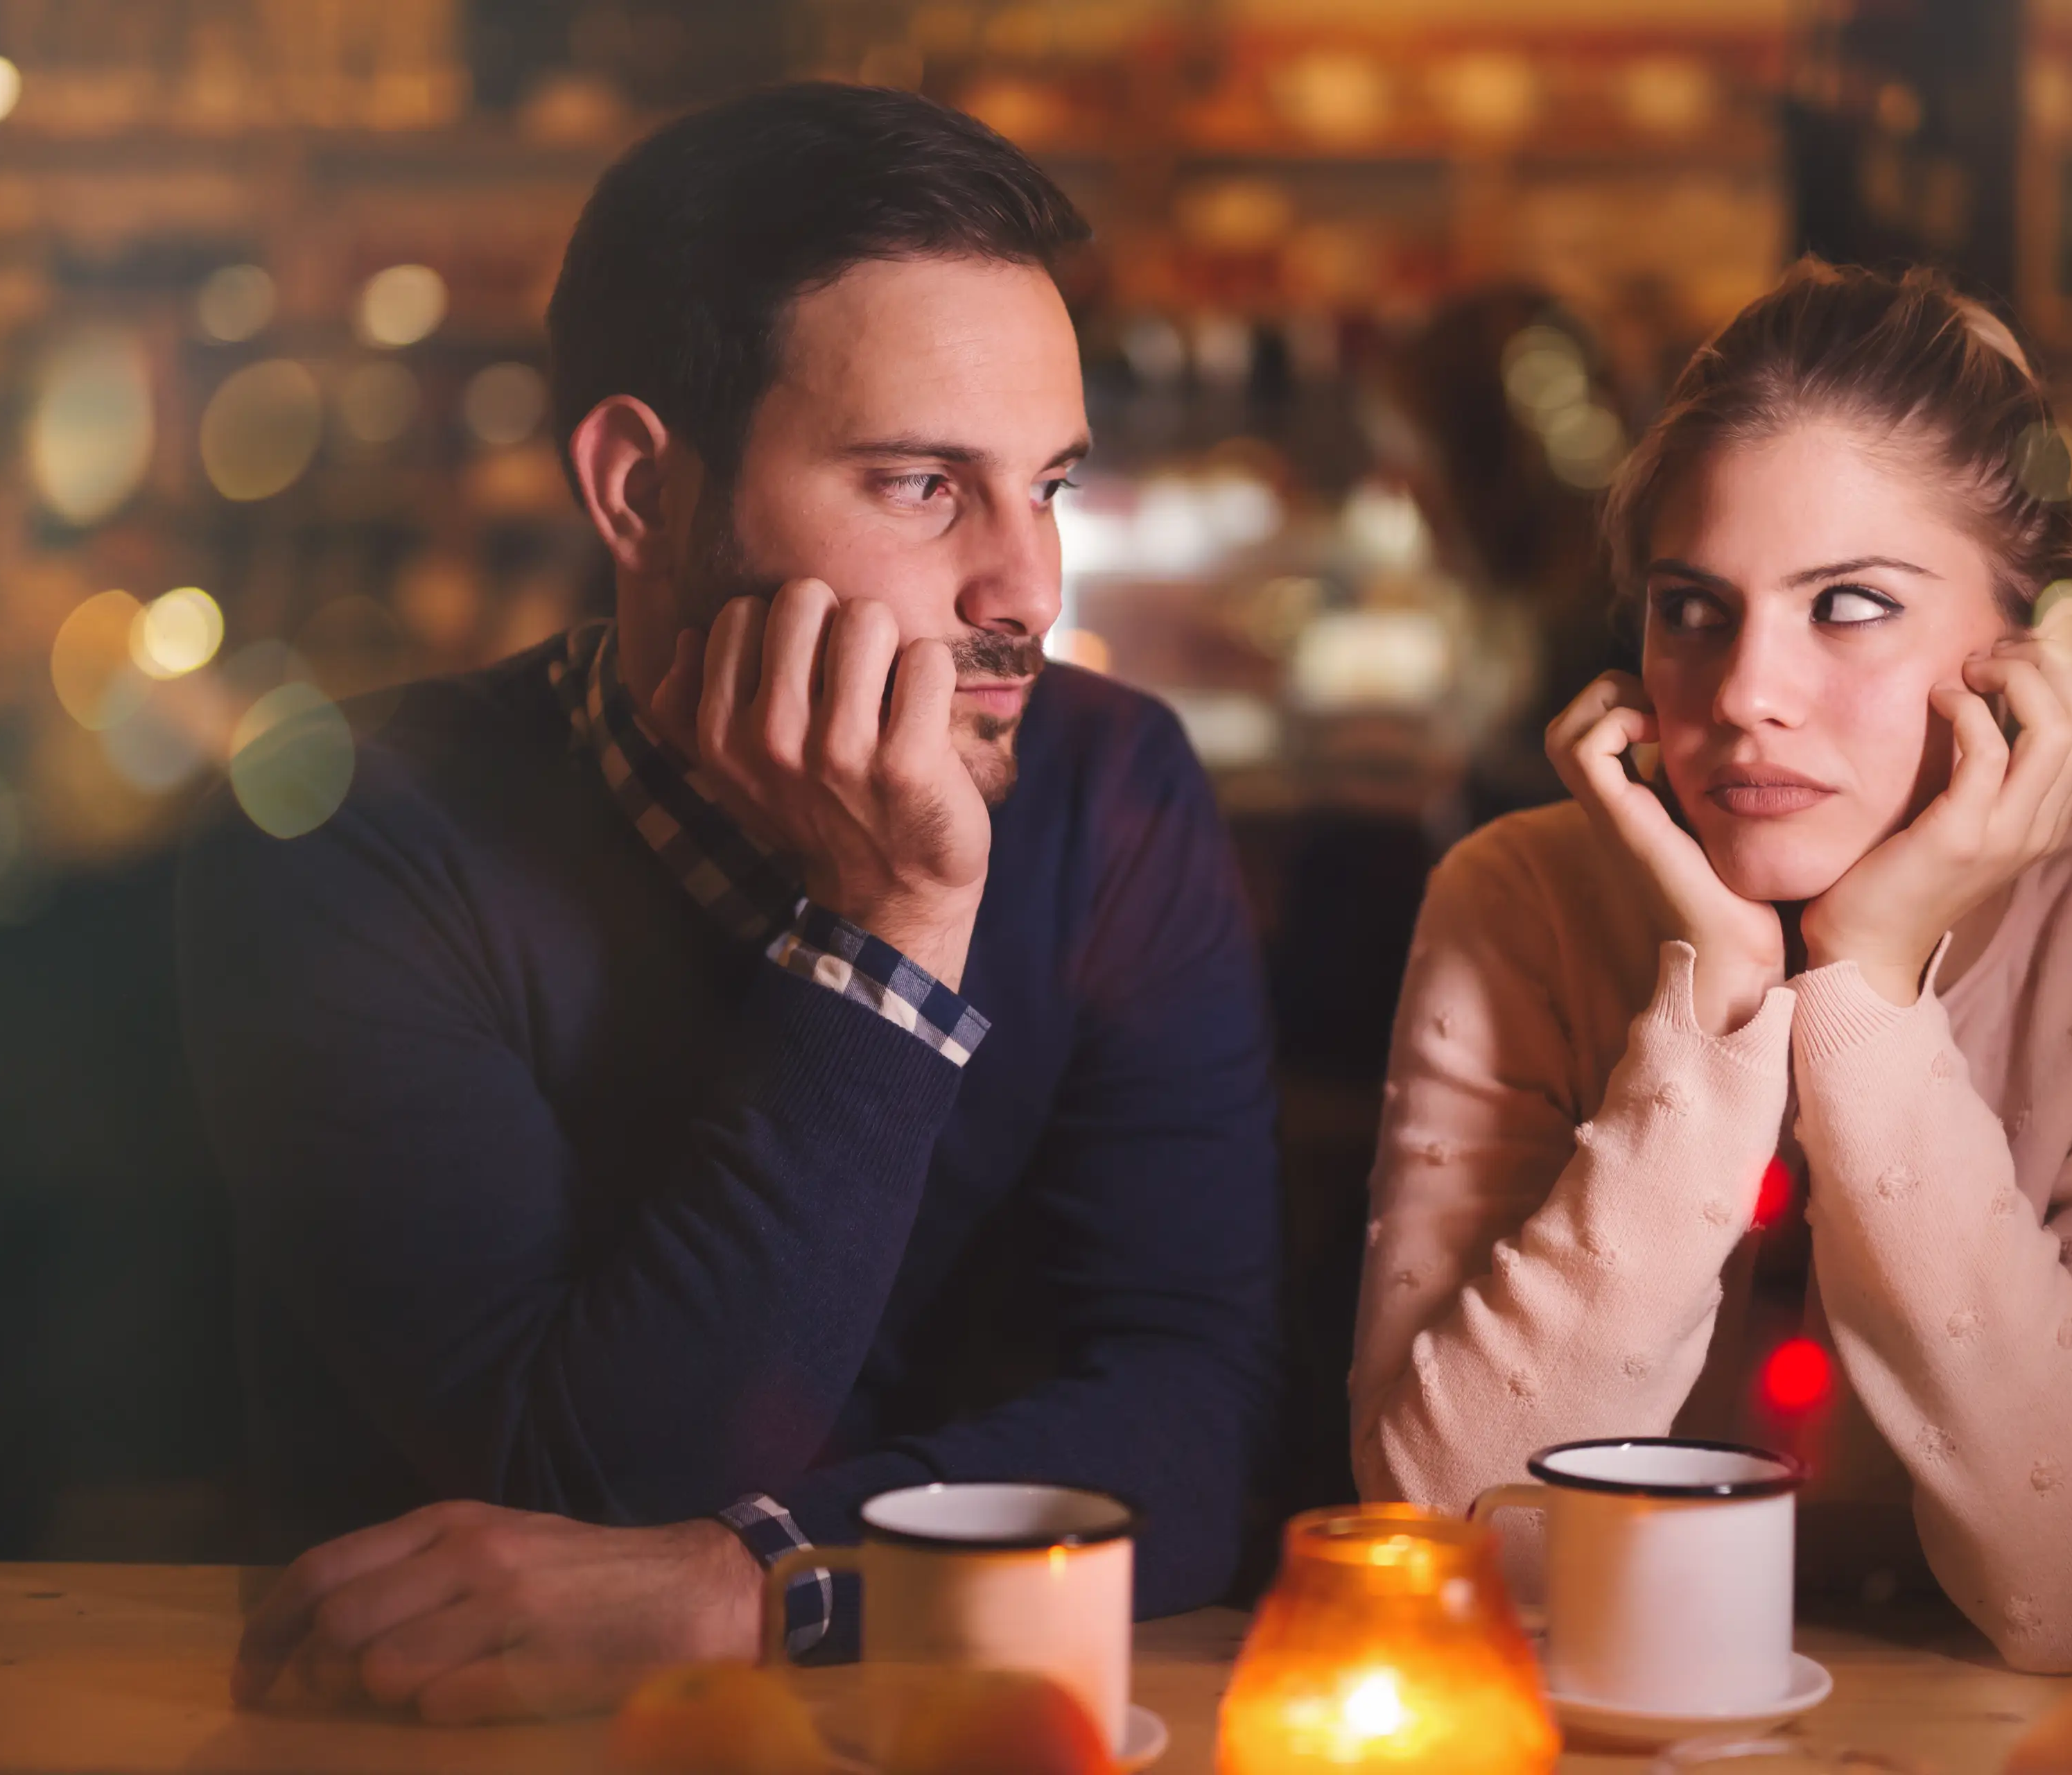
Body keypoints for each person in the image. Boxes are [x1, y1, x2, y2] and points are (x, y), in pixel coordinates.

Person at [177, 83, 1280, 1722]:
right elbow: (573, 1501)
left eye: (1046, 482)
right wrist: (895, 923)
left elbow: (1205, 1420)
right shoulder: (349, 840)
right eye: (921, 484)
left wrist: (756, 1585)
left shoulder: (1115, 790)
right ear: (639, 491)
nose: (1028, 588)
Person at [1350, 261, 2072, 1674]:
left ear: (2019, 650)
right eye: (1692, 607)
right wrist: (1717, 1004)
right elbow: (1440, 1538)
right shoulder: (1514, 900)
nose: (1742, 695)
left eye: (1848, 604)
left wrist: (1870, 993)